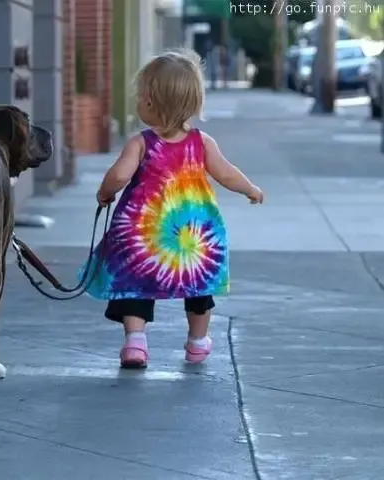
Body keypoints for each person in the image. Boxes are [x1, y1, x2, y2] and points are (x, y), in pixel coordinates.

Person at [80, 49, 264, 369]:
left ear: (150, 102)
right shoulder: (202, 142)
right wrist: (250, 188)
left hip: (143, 236)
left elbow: (120, 175)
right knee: (199, 288)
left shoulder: (141, 142)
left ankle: (135, 343)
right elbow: (226, 173)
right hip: (192, 236)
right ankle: (196, 343)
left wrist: (104, 193)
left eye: (139, 97)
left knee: (134, 285)